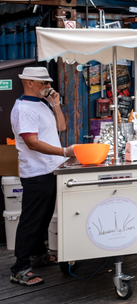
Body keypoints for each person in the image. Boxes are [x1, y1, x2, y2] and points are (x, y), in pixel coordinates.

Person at [10, 67, 76, 286]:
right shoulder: (24, 108)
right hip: (36, 172)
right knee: (31, 219)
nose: (48, 87)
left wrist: (56, 103)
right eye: (44, 84)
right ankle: (19, 268)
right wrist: (64, 152)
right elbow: (32, 142)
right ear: (29, 83)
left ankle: (38, 254)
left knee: (44, 216)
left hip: (50, 169)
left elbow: (62, 127)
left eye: (49, 83)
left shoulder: (42, 104)